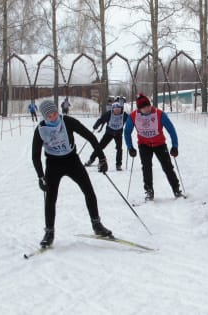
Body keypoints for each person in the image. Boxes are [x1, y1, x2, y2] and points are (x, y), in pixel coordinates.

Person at [32, 99, 112, 248]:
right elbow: (35, 155)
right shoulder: (40, 129)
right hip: (53, 164)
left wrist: (101, 157)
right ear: (44, 116)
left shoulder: (67, 121)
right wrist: (40, 176)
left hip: (71, 161)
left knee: (89, 191)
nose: (54, 117)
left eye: (55, 113)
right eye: (49, 116)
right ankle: (49, 232)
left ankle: (97, 225)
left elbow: (90, 136)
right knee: (50, 198)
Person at [124, 93, 182, 201]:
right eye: (143, 107)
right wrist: (130, 147)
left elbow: (171, 130)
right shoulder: (133, 116)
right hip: (144, 145)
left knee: (168, 167)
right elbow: (127, 132)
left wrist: (175, 146)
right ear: (139, 108)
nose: (147, 109)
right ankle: (149, 191)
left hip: (159, 144)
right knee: (146, 167)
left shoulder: (159, 114)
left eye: (148, 106)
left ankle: (176, 189)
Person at [84, 101, 128, 171]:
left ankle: (118, 165)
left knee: (119, 148)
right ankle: (91, 159)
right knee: (100, 147)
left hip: (118, 134)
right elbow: (101, 120)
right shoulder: (109, 114)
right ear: (113, 109)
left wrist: (130, 128)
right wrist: (96, 126)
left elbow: (130, 121)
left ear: (121, 109)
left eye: (118, 109)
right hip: (109, 133)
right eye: (115, 109)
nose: (117, 111)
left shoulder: (124, 115)